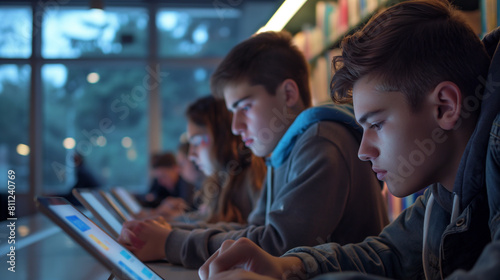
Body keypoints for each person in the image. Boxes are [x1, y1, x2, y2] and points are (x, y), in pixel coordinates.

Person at [198, 1, 500, 279]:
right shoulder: (441, 196)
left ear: (445, 106)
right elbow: (389, 254)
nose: (363, 151)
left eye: (377, 124)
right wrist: (286, 267)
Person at [118, 30, 389, 268]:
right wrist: (169, 230)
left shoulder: (322, 139)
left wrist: (171, 243)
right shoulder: (284, 149)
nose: (236, 126)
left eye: (245, 107)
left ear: (288, 94)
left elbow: (276, 246)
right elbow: (255, 229)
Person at [175, 95, 266, 224]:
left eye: (196, 141)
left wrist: (169, 234)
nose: (191, 155)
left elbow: (254, 235)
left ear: (221, 137)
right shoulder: (219, 180)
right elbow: (209, 222)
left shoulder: (253, 177)